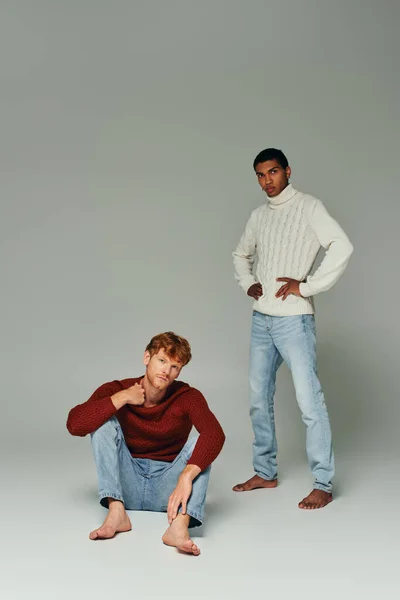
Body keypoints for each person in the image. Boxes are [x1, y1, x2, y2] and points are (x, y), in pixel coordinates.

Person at [232, 148, 353, 509]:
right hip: (261, 319)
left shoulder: (309, 206)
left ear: (287, 171)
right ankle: (265, 472)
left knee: (309, 402)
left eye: (272, 172)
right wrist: (247, 282)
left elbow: (341, 246)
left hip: (294, 320)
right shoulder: (258, 215)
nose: (267, 181)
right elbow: (241, 254)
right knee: (257, 399)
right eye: (260, 175)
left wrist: (308, 285)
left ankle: (323, 482)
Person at [67, 332, 225, 555]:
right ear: (146, 358)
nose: (166, 371)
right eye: (162, 361)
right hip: (125, 485)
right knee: (102, 422)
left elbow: (216, 434)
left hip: (169, 491)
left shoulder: (188, 396)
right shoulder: (117, 389)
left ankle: (179, 526)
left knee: (204, 442)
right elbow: (75, 424)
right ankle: (116, 511)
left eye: (174, 367)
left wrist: (186, 476)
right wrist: (121, 398)